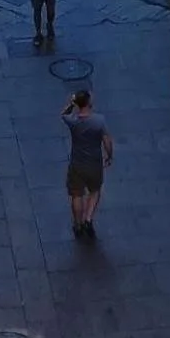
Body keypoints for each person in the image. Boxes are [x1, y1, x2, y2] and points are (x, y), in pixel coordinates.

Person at [61, 88, 113, 239]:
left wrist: (71, 103)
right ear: (89, 102)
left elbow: (63, 114)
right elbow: (107, 141)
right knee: (95, 191)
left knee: (76, 195)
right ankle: (88, 219)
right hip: (94, 163)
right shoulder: (99, 121)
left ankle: (77, 225)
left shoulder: (73, 121)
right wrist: (109, 155)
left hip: (77, 163)